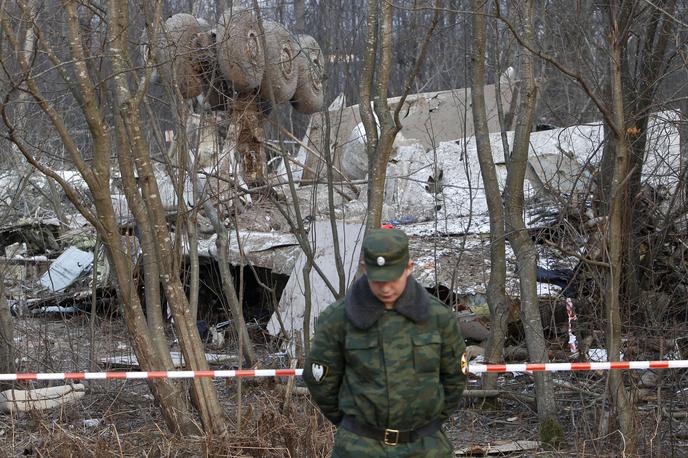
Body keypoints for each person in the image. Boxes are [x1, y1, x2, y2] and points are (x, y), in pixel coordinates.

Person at [304, 228, 466, 457]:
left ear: (409, 268)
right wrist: (354, 427)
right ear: (365, 269)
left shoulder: (437, 317)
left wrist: (426, 424)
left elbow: (454, 378)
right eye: (378, 280)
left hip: (425, 446)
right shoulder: (338, 319)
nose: (386, 288)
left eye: (392, 278)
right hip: (360, 447)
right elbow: (321, 381)